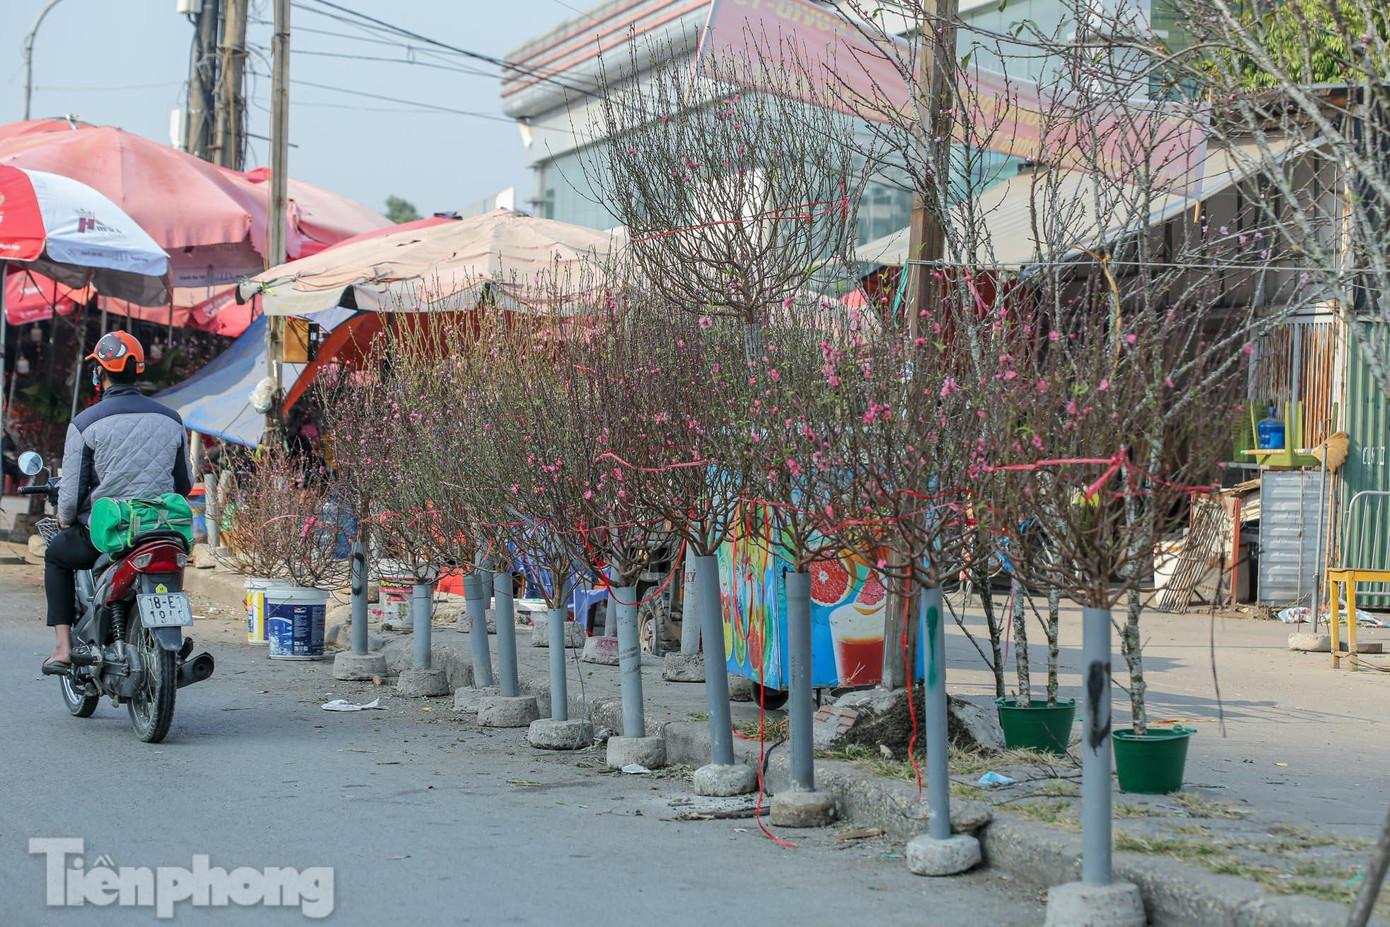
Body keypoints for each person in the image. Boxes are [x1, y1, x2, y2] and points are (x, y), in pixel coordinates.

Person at [43, 331, 193, 671]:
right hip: (161, 529)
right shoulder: (171, 419)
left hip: (111, 533)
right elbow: (183, 484)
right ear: (137, 370)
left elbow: (71, 495)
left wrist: (65, 519)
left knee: (56, 556)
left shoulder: (85, 424)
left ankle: (63, 647)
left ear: (101, 372)